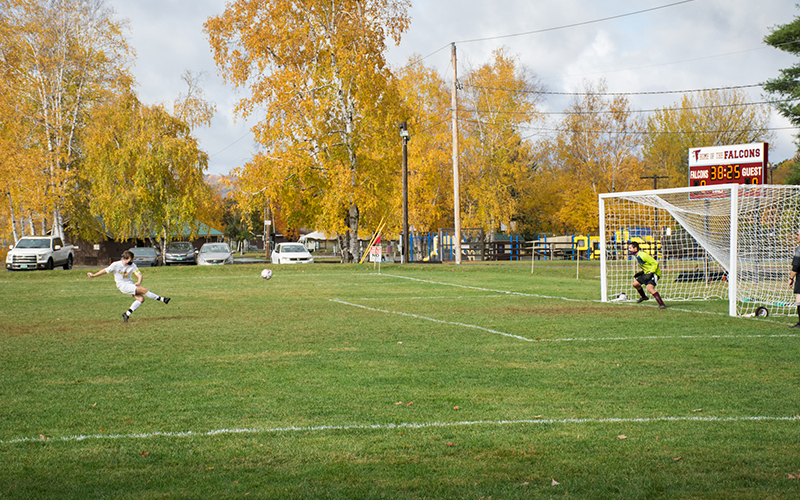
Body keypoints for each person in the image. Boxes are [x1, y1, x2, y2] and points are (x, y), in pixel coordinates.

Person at [87, 250, 170, 322]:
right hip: (122, 285)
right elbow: (105, 271)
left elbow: (139, 275)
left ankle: (126, 314)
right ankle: (163, 299)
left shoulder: (132, 265)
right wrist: (94, 275)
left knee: (141, 299)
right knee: (144, 290)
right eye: (130, 260)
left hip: (129, 284)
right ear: (125, 259)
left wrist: (138, 282)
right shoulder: (116, 264)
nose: (132, 261)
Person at [629, 241, 667, 309]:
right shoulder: (637, 256)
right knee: (635, 284)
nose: (629, 250)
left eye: (630, 248)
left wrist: (651, 273)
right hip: (647, 273)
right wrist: (642, 272)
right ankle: (644, 297)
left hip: (654, 273)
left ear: (635, 248)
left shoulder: (643, 255)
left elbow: (655, 263)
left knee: (649, 288)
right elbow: (647, 265)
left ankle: (662, 304)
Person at [789, 230, 800, 328]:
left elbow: (796, 266)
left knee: (799, 300)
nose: (797, 236)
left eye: (798, 235)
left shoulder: (799, 250)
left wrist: (791, 278)